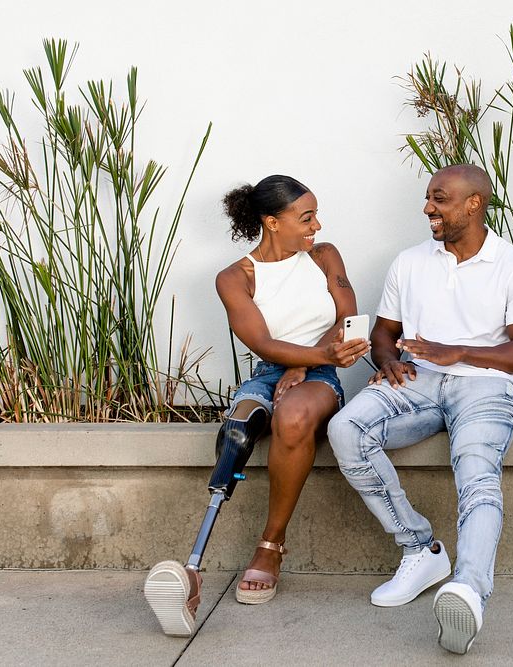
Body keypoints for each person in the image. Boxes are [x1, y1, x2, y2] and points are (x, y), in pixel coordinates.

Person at [327, 164, 513, 654]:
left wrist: (460, 352)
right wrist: (385, 359)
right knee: (346, 429)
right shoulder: (410, 262)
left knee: (477, 472)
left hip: (485, 387)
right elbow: (385, 330)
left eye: (440, 199)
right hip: (418, 379)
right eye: (428, 197)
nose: (428, 208)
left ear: (474, 203)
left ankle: (468, 591)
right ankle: (420, 548)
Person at [145, 175, 369, 636]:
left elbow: (348, 320)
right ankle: (191, 567)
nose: (317, 225)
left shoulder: (324, 255)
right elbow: (263, 342)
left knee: (293, 415)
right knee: (238, 432)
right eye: (306, 217)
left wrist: (306, 366)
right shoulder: (234, 277)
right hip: (268, 372)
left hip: (321, 375)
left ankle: (270, 545)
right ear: (271, 221)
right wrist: (299, 360)